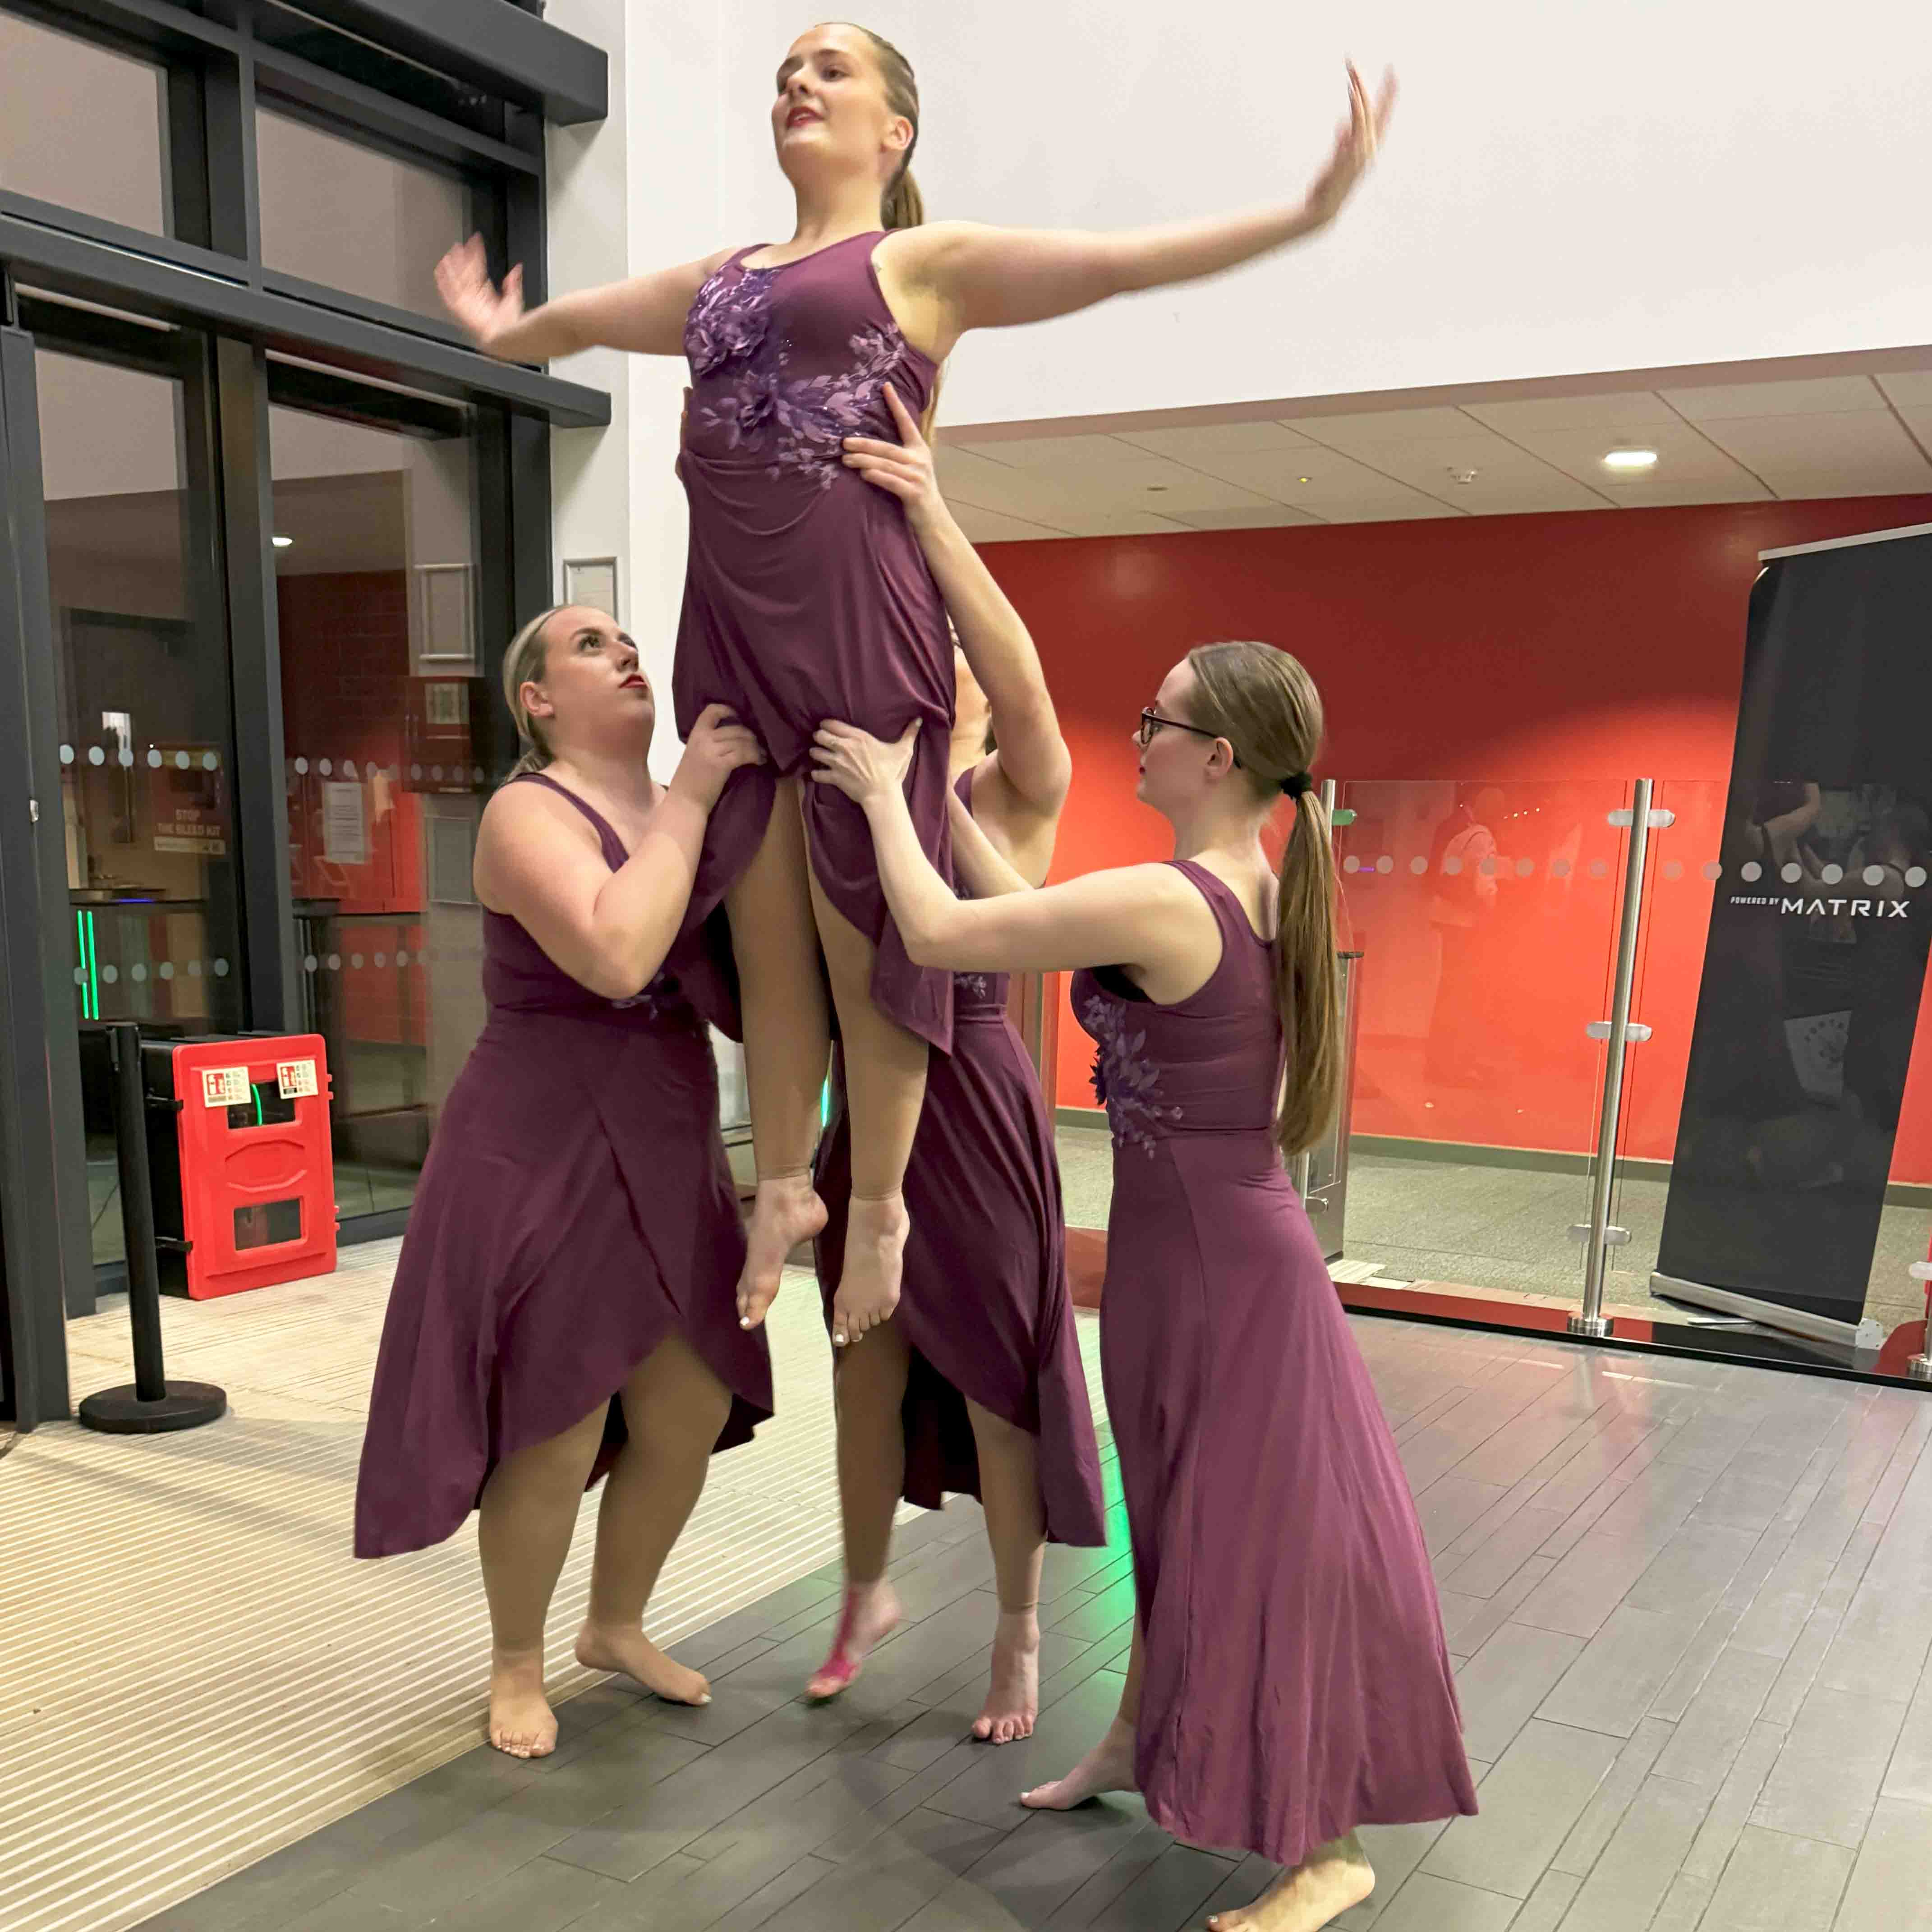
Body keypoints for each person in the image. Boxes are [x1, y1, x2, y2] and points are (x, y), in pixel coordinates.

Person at [433, 21, 1398, 1360]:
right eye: (787, 68)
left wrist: (1301, 212)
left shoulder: (916, 262)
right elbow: (594, 316)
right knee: (766, 924)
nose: (797, 82)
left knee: (856, 918)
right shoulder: (720, 280)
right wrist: (509, 328)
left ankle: (872, 1199)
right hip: (732, 624)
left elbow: (1115, 268)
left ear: (894, 132)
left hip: (855, 621)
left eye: (831, 70)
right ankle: (784, 1181)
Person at [810, 644, 1476, 1931]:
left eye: (1153, 720)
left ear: (1214, 757)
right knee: (1171, 1518)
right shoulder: (1225, 885)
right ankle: (1132, 1737)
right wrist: (946, 793)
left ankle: (1329, 1848)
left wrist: (888, 799)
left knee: (1259, 1543)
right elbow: (1031, 912)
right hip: (1194, 1265)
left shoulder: (1183, 899)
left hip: (1227, 1280)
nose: (1137, 737)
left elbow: (949, 932)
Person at [354, 606, 774, 1761]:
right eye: (590, 646)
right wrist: (692, 800)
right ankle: (516, 1661)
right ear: (535, 700)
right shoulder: (523, 811)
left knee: (688, 1403)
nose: (625, 652)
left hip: (668, 1129)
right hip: (542, 1137)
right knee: (556, 1409)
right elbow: (615, 952)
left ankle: (617, 1622)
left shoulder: (684, 812)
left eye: (626, 639)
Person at [808, 388, 1107, 1735]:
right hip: (870, 1107)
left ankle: (1021, 1634)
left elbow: (1024, 679)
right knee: (859, 1357)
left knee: (995, 1378)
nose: (939, 661)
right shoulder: (853, 774)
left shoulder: (1007, 794)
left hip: (977, 1100)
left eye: (952, 649)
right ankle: (865, 1586)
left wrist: (926, 514)